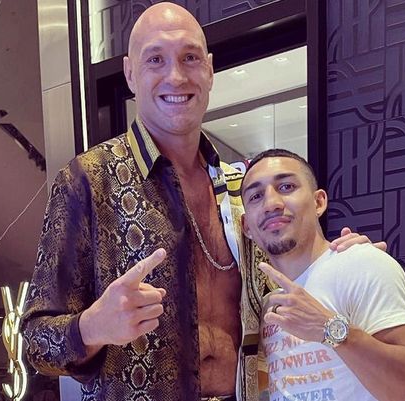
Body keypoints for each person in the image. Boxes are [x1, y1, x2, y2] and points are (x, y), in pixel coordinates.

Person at [20, 3, 380, 401]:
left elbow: (291, 279)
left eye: (190, 58)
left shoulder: (241, 190)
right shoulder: (88, 180)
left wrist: (342, 262)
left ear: (209, 70)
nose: (176, 76)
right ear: (130, 74)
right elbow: (35, 342)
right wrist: (92, 327)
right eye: (155, 59)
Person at [240, 149, 405, 401]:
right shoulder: (267, 302)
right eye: (256, 196)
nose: (271, 204)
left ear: (319, 202)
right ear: (246, 226)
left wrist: (330, 329)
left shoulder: (362, 264)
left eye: (286, 187)